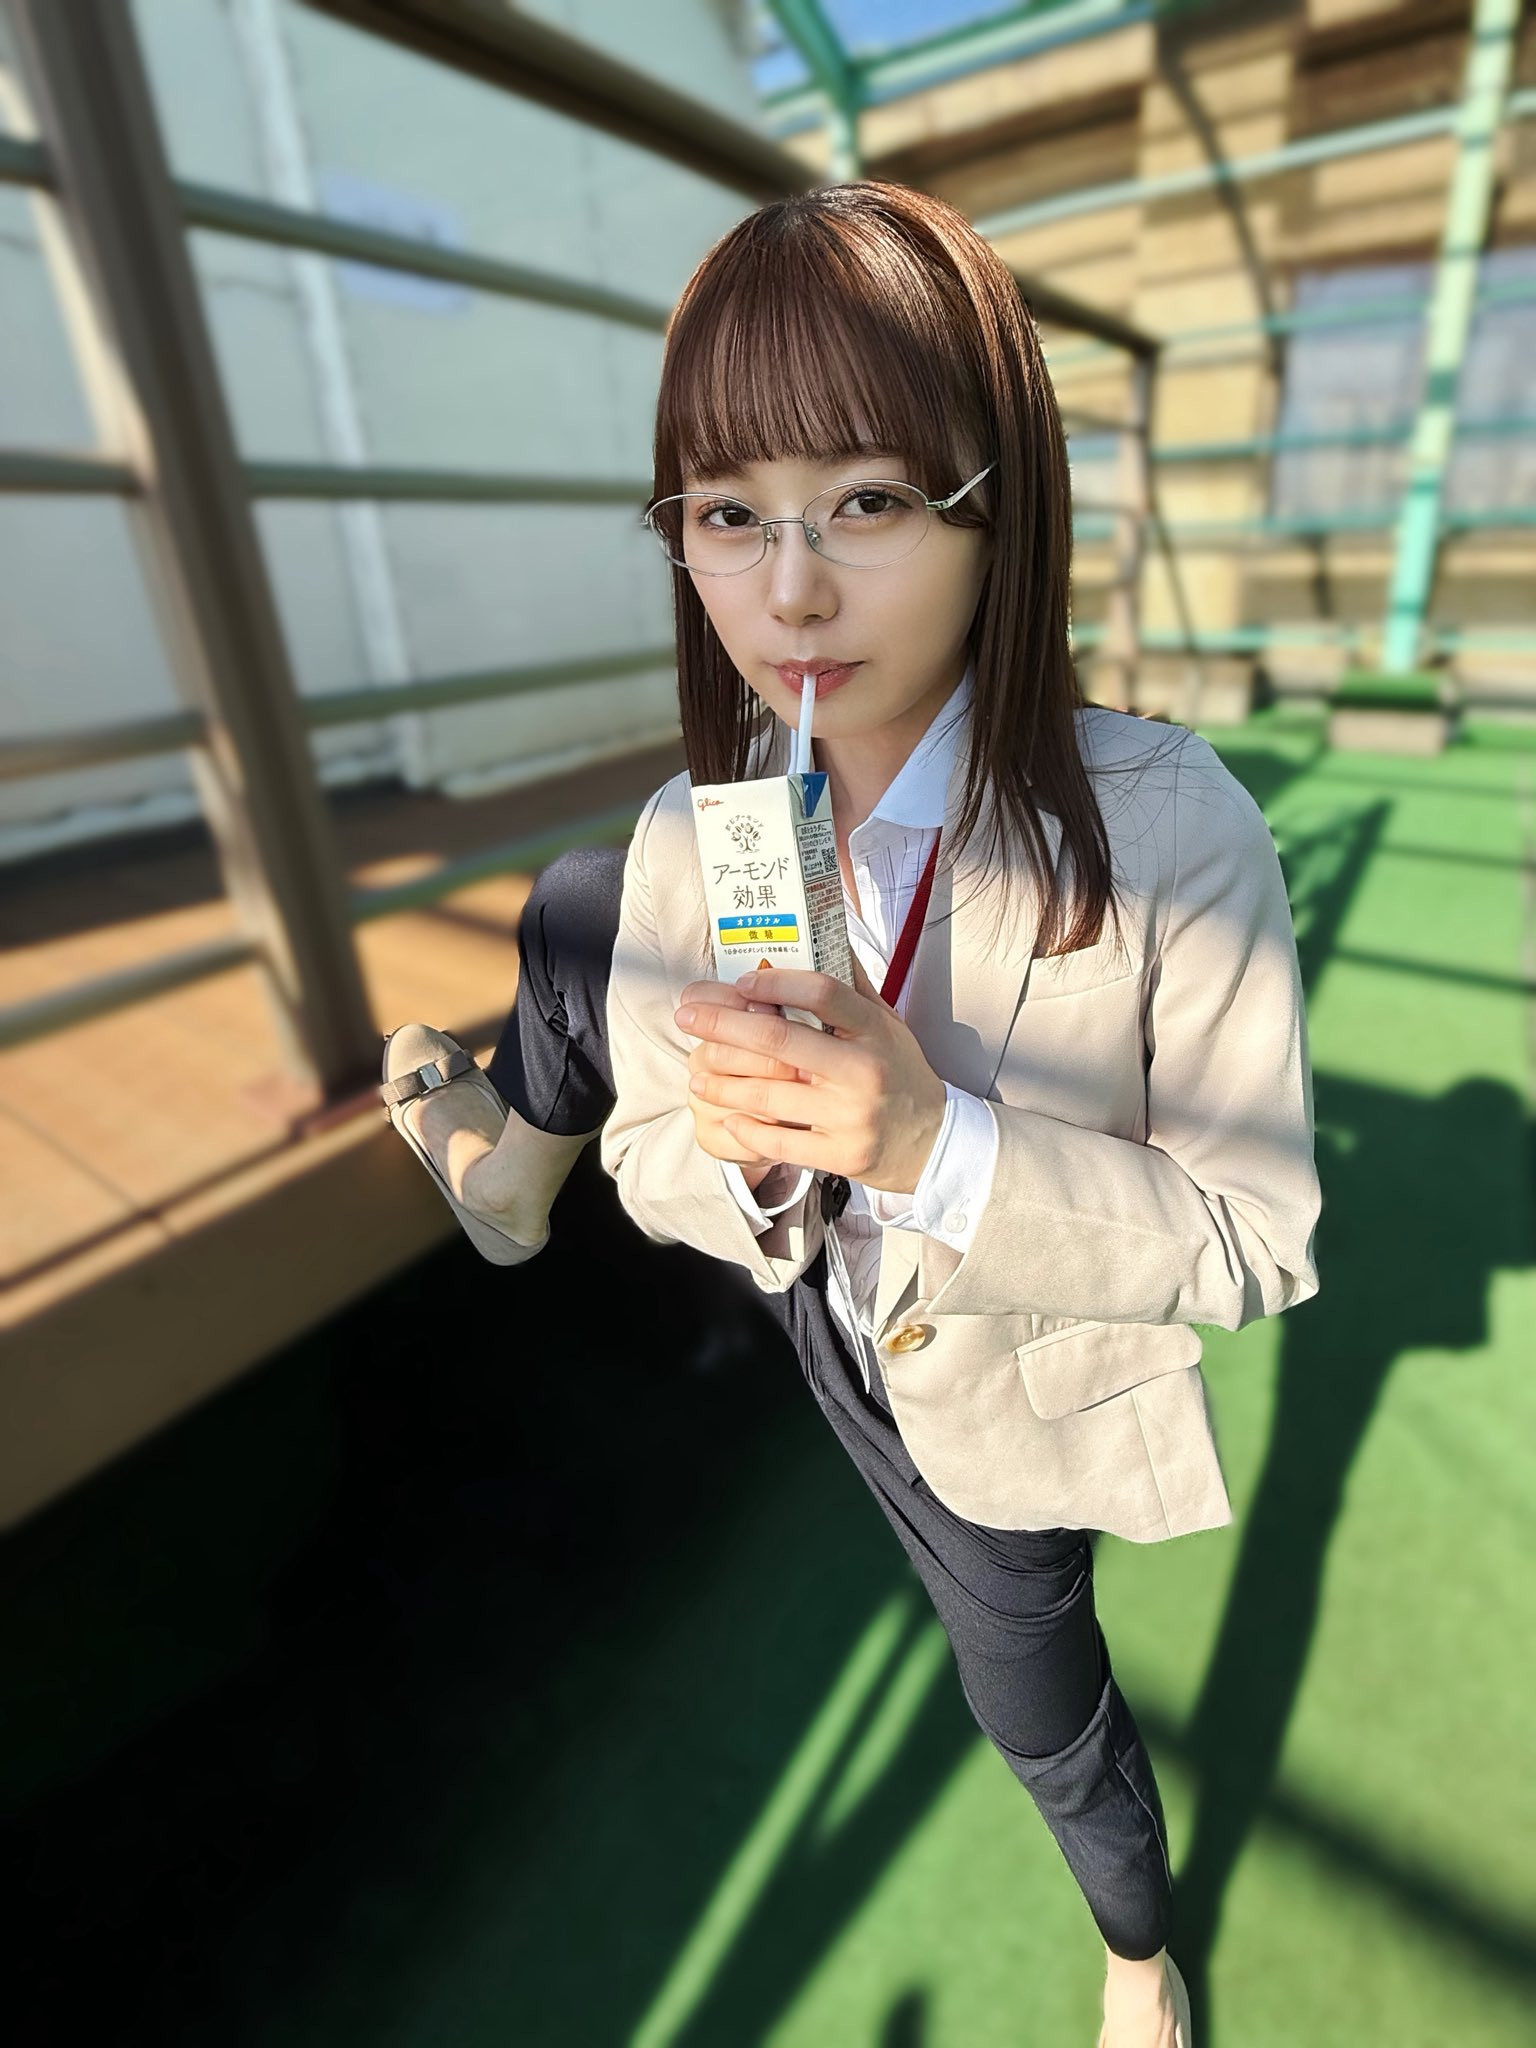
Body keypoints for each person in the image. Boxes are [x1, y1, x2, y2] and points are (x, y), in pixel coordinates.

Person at [379, 181, 1321, 2048]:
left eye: (870, 501)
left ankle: (1139, 1952)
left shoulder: (1171, 827)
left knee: (1040, 1714)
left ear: (999, 505)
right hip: (817, 1294)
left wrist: (927, 1142)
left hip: (1006, 1382)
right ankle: (503, 1186)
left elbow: (1253, 1238)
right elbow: (659, 1154)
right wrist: (744, 1152)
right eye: (728, 515)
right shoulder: (705, 828)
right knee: (581, 909)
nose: (789, 593)